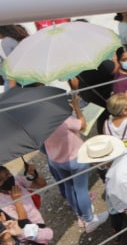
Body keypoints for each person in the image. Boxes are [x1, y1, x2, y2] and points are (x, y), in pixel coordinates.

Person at [43, 90, 109, 234]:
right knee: (81, 189)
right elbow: (82, 125)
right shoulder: (62, 120)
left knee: (69, 186)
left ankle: (80, 215)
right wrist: (77, 108)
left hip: (55, 159)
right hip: (75, 158)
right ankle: (89, 219)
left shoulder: (39, 123)